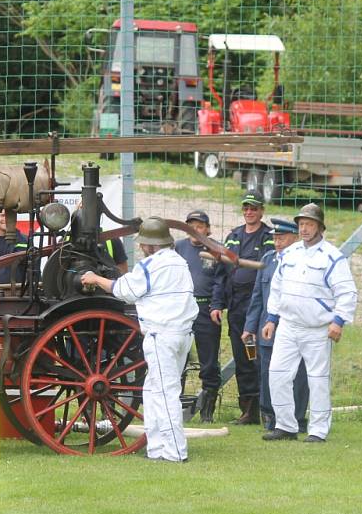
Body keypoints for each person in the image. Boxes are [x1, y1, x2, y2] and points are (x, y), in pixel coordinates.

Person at [81, 217, 198, 463]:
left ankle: (176, 452)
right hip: (182, 335)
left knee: (164, 393)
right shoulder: (180, 263)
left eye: (143, 244)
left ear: (150, 245)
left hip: (161, 335)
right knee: (153, 390)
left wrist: (95, 279)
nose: (142, 248)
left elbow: (125, 291)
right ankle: (156, 448)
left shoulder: (150, 266)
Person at [262, 203, 357, 443]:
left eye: (309, 224)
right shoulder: (290, 253)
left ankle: (318, 430)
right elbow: (277, 287)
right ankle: (285, 425)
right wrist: (272, 318)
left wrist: (339, 321)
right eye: (301, 224)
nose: (304, 229)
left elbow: (347, 292)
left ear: (320, 227)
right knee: (277, 374)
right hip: (288, 325)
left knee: (317, 379)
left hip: (317, 329)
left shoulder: (333, 257)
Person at [241, 218, 308, 431]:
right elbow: (258, 297)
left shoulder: (303, 262)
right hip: (267, 329)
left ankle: (297, 418)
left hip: (295, 326)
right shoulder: (268, 260)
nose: (278, 243)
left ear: (295, 238)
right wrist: (249, 327)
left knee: (298, 375)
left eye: (282, 238)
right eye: (275, 238)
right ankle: (270, 415)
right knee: (268, 373)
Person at [213, 190, 274, 424]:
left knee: (256, 356)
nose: (249, 212)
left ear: (261, 211)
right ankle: (247, 408)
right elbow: (221, 274)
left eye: (254, 208)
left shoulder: (267, 237)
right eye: (246, 208)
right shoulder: (234, 236)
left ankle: (262, 408)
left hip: (256, 310)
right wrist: (217, 304)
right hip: (236, 308)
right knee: (242, 357)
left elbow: (267, 269)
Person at [174, 209, 225, 423]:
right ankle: (175, 408)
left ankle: (207, 413)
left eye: (200, 226)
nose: (195, 230)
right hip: (182, 310)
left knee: (209, 361)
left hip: (205, 309)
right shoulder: (178, 248)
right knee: (177, 358)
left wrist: (216, 305)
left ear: (207, 228)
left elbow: (221, 281)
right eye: (191, 225)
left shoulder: (215, 249)